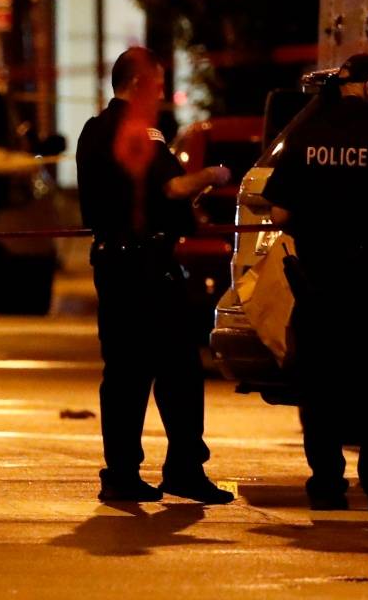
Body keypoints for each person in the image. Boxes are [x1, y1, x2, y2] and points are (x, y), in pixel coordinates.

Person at [260, 52, 368, 513]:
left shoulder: (306, 133)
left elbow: (280, 213)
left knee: (319, 387)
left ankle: (326, 485)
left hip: (318, 283)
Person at [74, 47, 238, 504]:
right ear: (138, 84)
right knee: (179, 370)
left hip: (112, 263)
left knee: (124, 374)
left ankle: (122, 473)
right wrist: (213, 174)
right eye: (158, 84)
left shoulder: (93, 131)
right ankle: (184, 469)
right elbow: (173, 185)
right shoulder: (140, 130)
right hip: (147, 267)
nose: (163, 93)